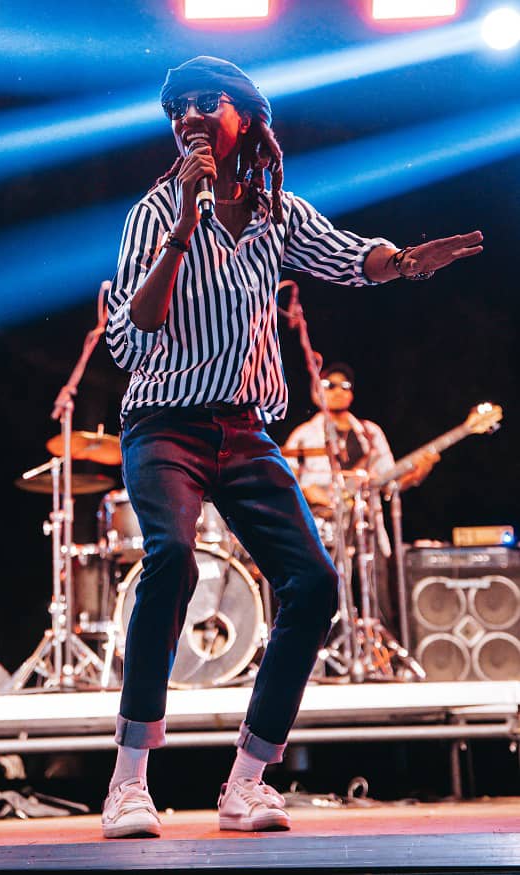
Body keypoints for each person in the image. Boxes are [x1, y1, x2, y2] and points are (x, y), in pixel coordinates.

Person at [103, 55, 482, 839]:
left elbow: (348, 255)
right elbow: (130, 335)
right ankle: (129, 781)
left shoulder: (276, 213)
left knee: (312, 584)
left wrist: (403, 262)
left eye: (207, 101)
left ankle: (246, 781)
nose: (188, 115)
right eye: (177, 107)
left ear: (246, 116)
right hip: (164, 423)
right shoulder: (153, 212)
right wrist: (181, 229)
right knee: (170, 556)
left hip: (244, 429)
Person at [283, 362, 439, 628]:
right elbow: (288, 481)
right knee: (325, 594)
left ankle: (378, 644)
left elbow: (390, 482)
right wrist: (314, 495)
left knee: (377, 593)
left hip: (365, 524)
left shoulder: (370, 433)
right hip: (322, 528)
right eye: (329, 385)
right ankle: (327, 646)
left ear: (352, 394)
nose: (337, 391)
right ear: (316, 392)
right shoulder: (304, 435)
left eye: (345, 386)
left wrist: (417, 474)